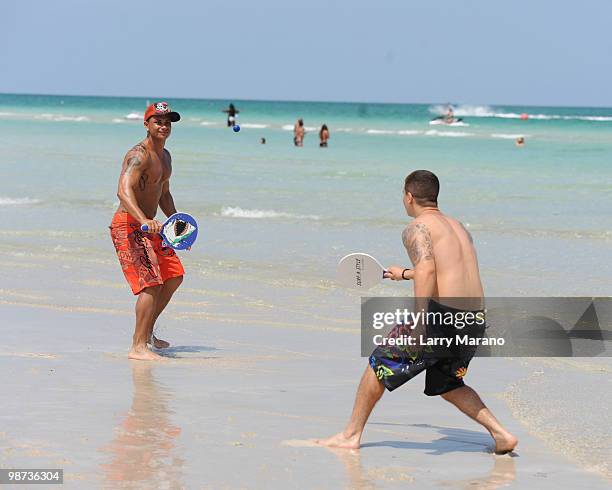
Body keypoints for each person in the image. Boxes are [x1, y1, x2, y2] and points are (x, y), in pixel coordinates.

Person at [316, 170, 518, 454]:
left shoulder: (416, 228)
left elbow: (429, 269)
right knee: (448, 383)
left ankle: (350, 435)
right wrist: (407, 273)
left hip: (439, 318)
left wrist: (420, 323)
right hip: (474, 318)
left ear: (409, 197)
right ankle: (502, 435)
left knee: (378, 364)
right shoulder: (457, 226)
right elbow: (446, 271)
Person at [109, 102, 185, 361]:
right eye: (158, 121)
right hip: (128, 224)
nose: (164, 126)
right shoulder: (137, 155)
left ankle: (147, 334)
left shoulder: (166, 157)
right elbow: (123, 191)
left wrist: (176, 221)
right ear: (146, 124)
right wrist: (143, 219)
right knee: (150, 284)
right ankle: (137, 346)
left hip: (150, 225)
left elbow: (164, 193)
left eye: (167, 122)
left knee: (174, 276)